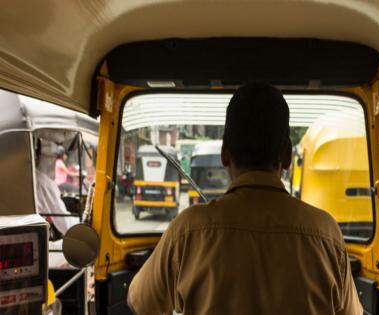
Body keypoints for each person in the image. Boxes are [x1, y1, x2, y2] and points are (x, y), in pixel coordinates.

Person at [127, 82, 362, 315]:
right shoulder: (326, 234)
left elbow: (140, 302)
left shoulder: (187, 231)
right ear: (287, 155)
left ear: (224, 153)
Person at [35, 140, 79, 267]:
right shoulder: (42, 182)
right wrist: (85, 224)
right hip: (36, 253)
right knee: (76, 245)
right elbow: (66, 226)